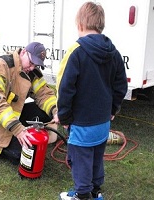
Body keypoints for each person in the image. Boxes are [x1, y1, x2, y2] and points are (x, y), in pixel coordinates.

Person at [55, 2, 128, 200]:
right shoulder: (114, 52)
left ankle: (83, 195)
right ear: (101, 24)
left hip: (81, 123)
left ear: (79, 23)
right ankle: (96, 192)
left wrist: (64, 116)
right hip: (103, 122)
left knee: (80, 160)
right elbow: (121, 85)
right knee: (96, 158)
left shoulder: (76, 51)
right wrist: (113, 109)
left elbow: (65, 89)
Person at [0, 42, 58, 165]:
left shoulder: (30, 72)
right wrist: (18, 129)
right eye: (31, 62)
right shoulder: (0, 65)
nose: (33, 68)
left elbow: (44, 94)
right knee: (25, 153)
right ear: (23, 52)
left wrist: (56, 111)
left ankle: (20, 135)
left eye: (36, 65)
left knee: (42, 113)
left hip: (7, 118)